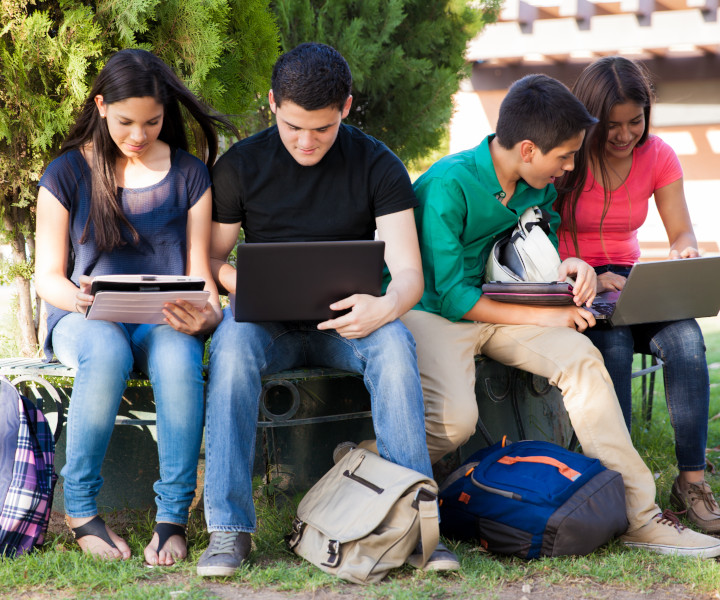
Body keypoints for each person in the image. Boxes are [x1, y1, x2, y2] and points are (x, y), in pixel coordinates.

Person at [404, 73, 720, 557]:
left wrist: (568, 266)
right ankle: (370, 460)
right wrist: (547, 317)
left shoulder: (537, 185)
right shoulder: (448, 185)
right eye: (566, 157)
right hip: (437, 314)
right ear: (528, 149)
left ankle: (641, 515)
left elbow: (539, 246)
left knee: (581, 359)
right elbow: (451, 298)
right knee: (455, 423)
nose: (571, 167)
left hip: (503, 308)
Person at [197, 42, 456, 576]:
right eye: (293, 126)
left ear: (346, 107)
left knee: (395, 346)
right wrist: (237, 280)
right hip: (266, 324)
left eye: (322, 127)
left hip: (351, 324)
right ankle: (228, 530)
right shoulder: (240, 166)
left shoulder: (378, 163)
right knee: (229, 352)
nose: (306, 141)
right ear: (272, 103)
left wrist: (383, 307)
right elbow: (212, 258)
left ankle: (416, 528)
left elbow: (409, 274)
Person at [34, 49, 233, 564]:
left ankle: (172, 519)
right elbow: (47, 279)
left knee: (178, 356)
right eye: (125, 122)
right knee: (107, 353)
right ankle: (79, 509)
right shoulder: (65, 173)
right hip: (84, 317)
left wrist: (209, 312)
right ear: (101, 106)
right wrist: (80, 299)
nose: (138, 135)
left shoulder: (190, 175)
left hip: (162, 318)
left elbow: (200, 275)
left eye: (152, 121)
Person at [555, 56, 720, 533]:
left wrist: (684, 253)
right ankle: (620, 486)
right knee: (615, 347)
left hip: (632, 280)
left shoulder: (659, 156)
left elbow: (681, 233)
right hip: (578, 282)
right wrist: (584, 274)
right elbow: (540, 230)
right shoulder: (569, 156)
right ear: (591, 120)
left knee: (688, 341)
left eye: (635, 122)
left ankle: (690, 481)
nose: (625, 135)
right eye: (612, 125)